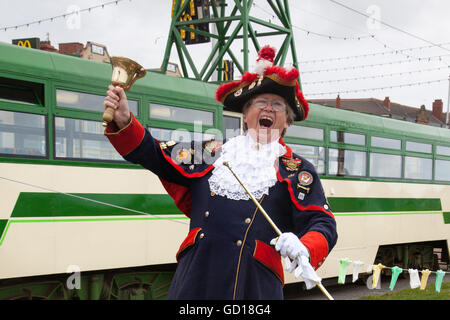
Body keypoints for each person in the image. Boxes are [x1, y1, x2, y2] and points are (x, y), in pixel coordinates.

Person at [103, 46, 337, 300]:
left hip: (254, 286)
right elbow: (154, 154)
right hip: (196, 280)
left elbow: (323, 223)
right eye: (261, 102)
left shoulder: (298, 171)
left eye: (278, 105)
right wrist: (125, 119)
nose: (269, 109)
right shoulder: (211, 153)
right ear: (246, 115)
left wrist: (304, 246)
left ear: (287, 121)